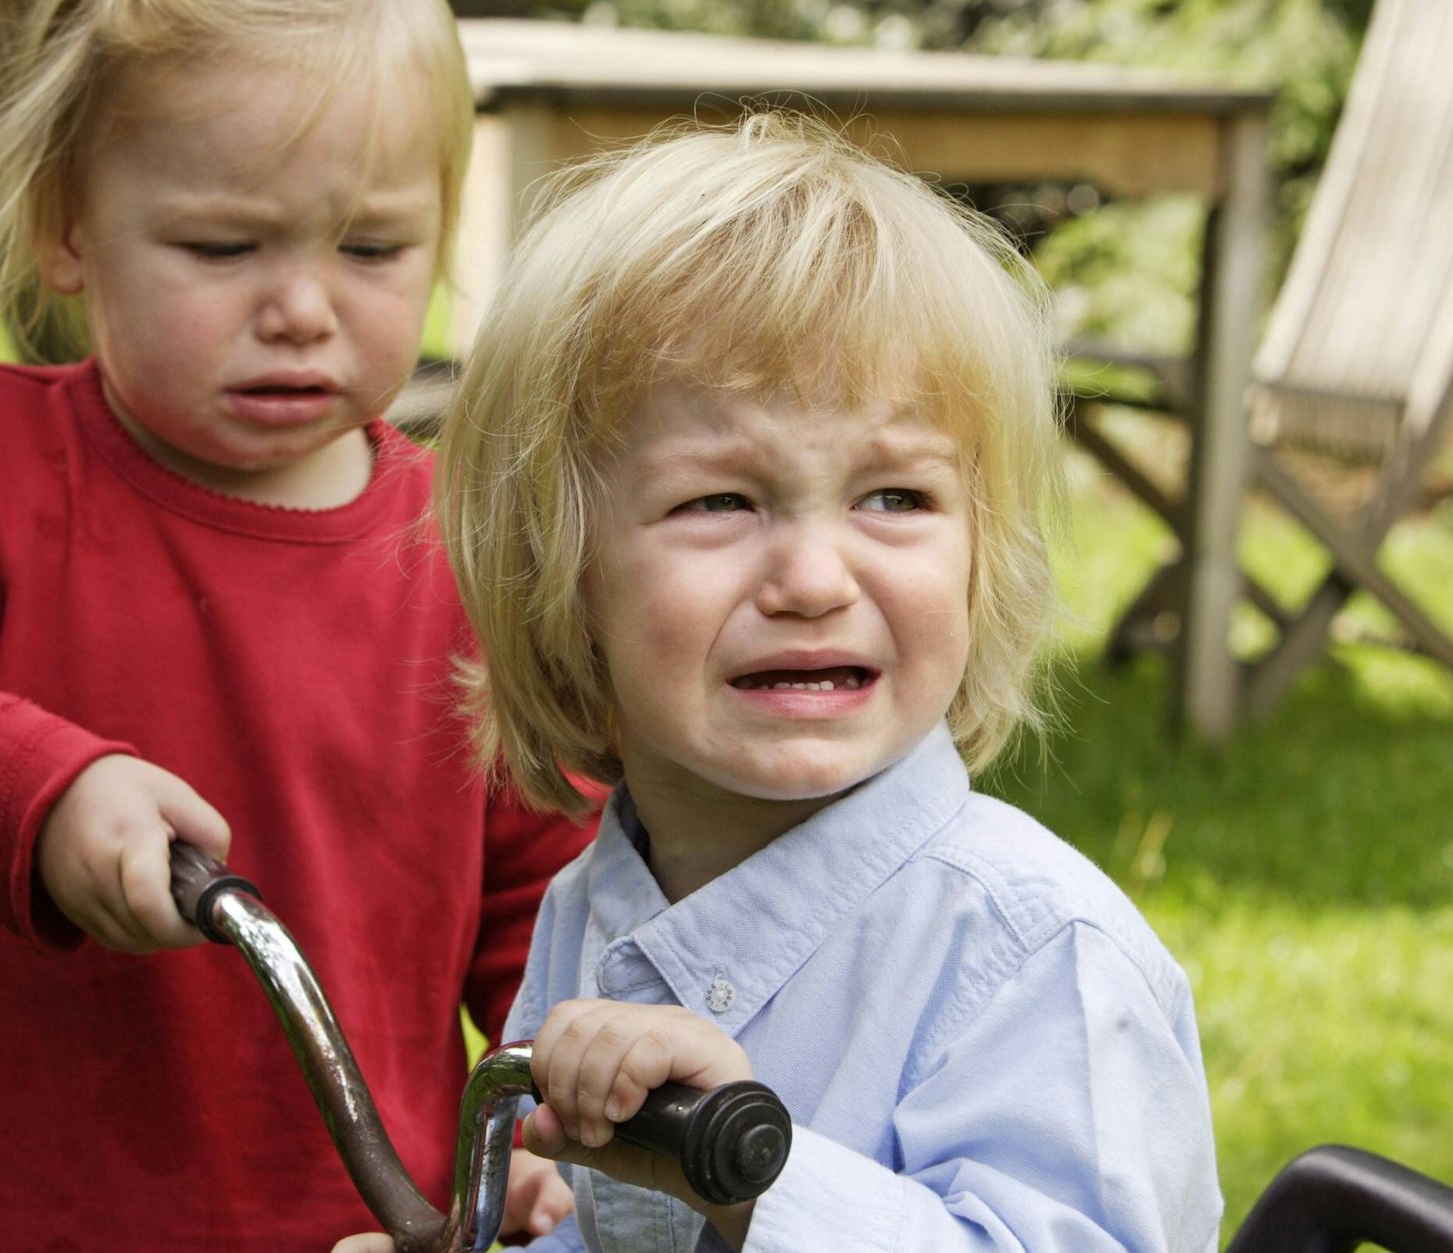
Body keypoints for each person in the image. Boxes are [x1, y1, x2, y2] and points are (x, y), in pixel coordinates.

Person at [0, 1, 591, 1248]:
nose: (302, 307)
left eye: (371, 249)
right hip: (14, 1209)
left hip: (353, 1218)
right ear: (65, 231)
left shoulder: (462, 554)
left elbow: (548, 891)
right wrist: (39, 798)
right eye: (219, 246)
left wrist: (533, 1121)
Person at [337, 114, 1222, 1252]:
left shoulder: (1034, 953)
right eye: (720, 501)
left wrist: (753, 1176)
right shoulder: (597, 908)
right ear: (559, 574)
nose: (811, 576)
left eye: (893, 497)